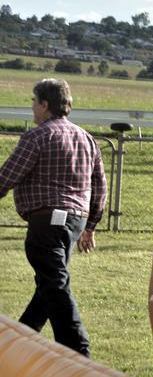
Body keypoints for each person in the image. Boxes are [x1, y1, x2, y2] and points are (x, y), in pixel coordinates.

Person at [0, 78, 105, 357]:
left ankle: (77, 350)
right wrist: (91, 227)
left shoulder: (38, 137)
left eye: (34, 101)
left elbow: (7, 177)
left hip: (47, 221)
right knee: (50, 281)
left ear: (45, 104)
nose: (32, 107)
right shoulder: (87, 138)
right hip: (75, 222)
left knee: (54, 283)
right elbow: (100, 186)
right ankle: (21, 339)